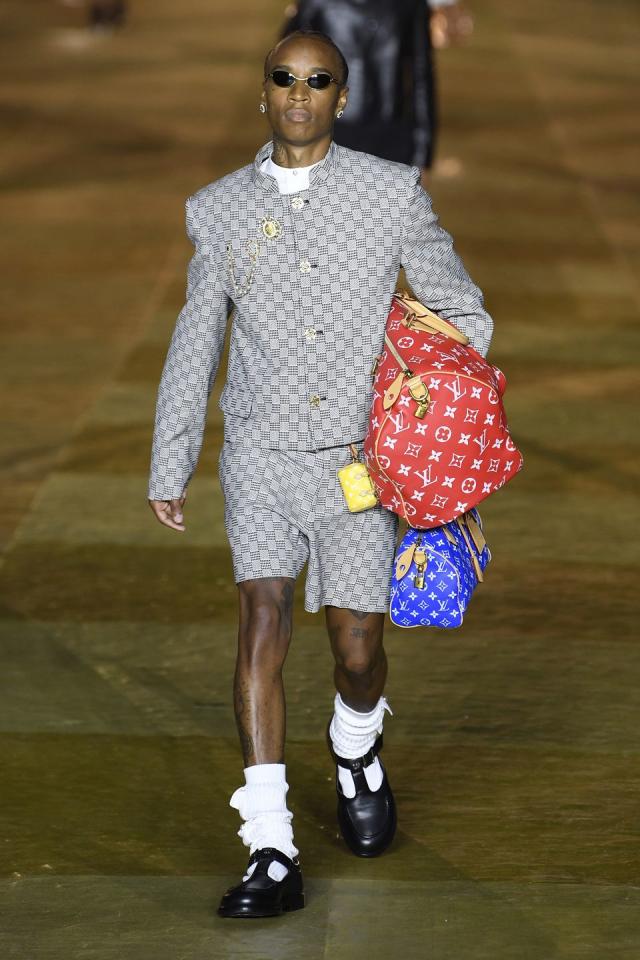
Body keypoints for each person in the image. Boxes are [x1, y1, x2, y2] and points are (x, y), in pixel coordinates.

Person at [148, 29, 493, 919]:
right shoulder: (217, 208)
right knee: (260, 620)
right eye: (283, 78)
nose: (298, 94)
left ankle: (356, 744)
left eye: (318, 81)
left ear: (342, 98)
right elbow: (196, 338)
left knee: (357, 648)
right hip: (258, 453)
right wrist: (172, 456)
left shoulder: (389, 193)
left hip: (359, 463)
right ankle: (270, 846)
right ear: (261, 93)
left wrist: (427, 402)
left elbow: (461, 308)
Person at [281, 0, 436, 172]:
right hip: (331, 136)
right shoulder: (316, 4)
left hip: (391, 139)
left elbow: (421, 74)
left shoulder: (411, 5)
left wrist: (422, 154)